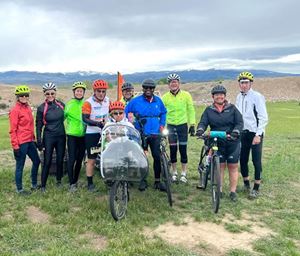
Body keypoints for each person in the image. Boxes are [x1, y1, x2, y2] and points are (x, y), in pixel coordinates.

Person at [196, 85, 243, 202]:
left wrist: (236, 132)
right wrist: (200, 130)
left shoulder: (232, 108)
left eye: (221, 94)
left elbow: (239, 123)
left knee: (233, 166)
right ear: (213, 97)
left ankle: (233, 192)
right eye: (217, 95)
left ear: (225, 96)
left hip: (231, 140)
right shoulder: (209, 110)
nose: (219, 96)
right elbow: (203, 122)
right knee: (220, 166)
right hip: (217, 141)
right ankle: (220, 190)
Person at [125, 79, 167, 191]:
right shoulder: (135, 101)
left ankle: (157, 181)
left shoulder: (158, 101)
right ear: (143, 88)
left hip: (155, 133)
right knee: (141, 158)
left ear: (154, 89)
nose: (148, 90)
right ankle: (142, 180)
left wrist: (162, 125)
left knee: (157, 157)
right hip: (141, 133)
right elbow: (125, 112)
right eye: (146, 88)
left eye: (151, 88)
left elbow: (163, 112)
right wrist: (130, 125)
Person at [235, 71, 268, 199]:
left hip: (255, 133)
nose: (244, 85)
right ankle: (246, 183)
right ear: (239, 83)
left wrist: (258, 134)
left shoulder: (257, 97)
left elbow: (263, 117)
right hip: (243, 133)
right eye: (242, 82)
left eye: (246, 83)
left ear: (251, 83)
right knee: (242, 159)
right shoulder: (239, 97)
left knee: (256, 160)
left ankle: (256, 187)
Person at [162, 73, 196, 183]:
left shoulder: (186, 95)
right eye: (171, 82)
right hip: (171, 126)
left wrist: (192, 124)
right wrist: (161, 126)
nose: (173, 84)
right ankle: (174, 172)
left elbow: (190, 109)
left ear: (179, 83)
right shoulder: (165, 97)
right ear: (168, 84)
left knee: (183, 150)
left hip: (182, 125)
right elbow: (162, 112)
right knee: (172, 150)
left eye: (175, 82)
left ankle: (184, 173)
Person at [9, 85, 41, 195]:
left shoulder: (28, 107)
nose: (24, 97)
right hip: (21, 143)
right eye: (21, 95)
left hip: (30, 141)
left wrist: (34, 139)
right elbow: (13, 130)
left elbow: (30, 126)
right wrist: (15, 146)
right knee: (20, 165)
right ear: (17, 97)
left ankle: (34, 184)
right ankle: (19, 189)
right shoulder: (15, 110)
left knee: (37, 161)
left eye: (26, 95)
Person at [36, 82, 65, 192]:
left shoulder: (61, 105)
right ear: (44, 94)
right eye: (47, 93)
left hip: (61, 136)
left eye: (52, 93)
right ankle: (43, 185)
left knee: (60, 159)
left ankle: (58, 181)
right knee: (47, 161)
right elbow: (38, 126)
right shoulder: (41, 108)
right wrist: (39, 141)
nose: (50, 95)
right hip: (48, 137)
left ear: (55, 93)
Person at [82, 79, 109, 191]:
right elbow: (85, 119)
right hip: (92, 134)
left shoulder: (108, 100)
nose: (101, 94)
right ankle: (90, 183)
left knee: (108, 156)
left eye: (103, 91)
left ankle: (109, 178)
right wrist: (98, 124)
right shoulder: (88, 102)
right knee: (92, 159)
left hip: (105, 132)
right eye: (99, 91)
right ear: (94, 91)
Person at [64, 81, 87, 192]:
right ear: (74, 92)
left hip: (83, 135)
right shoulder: (69, 104)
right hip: (72, 135)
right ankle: (71, 182)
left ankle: (76, 179)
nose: (79, 93)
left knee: (79, 159)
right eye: (77, 91)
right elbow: (62, 118)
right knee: (71, 159)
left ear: (83, 92)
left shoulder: (86, 104)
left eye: (81, 91)